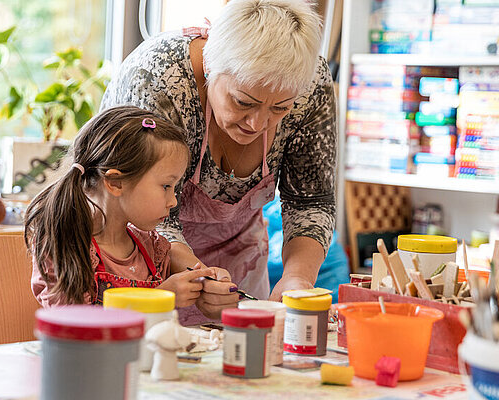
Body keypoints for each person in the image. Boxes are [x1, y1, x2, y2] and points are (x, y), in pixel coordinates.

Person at [100, 0, 336, 324]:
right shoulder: (158, 78)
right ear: (210, 65)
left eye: (279, 109)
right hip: (144, 250)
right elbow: (140, 208)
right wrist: (199, 276)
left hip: (241, 253)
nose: (257, 124)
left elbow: (311, 202)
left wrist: (298, 279)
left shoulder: (309, 84)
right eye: (243, 102)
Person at [25, 106, 225, 307]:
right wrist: (159, 298)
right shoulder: (66, 246)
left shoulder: (153, 249)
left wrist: (211, 289)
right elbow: (73, 327)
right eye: (166, 186)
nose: (173, 201)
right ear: (115, 183)